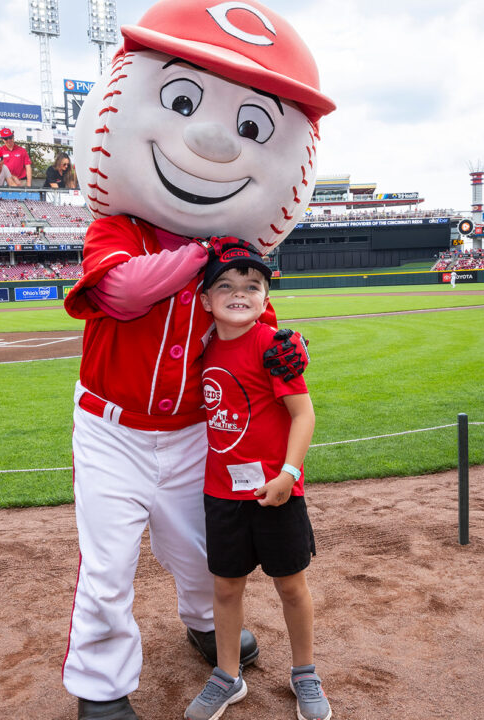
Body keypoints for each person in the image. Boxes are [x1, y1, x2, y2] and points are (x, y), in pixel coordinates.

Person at [61, 2, 334, 718]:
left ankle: (208, 626)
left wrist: (285, 352)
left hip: (190, 434)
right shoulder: (118, 228)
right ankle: (101, 687)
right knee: (109, 566)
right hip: (111, 429)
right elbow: (120, 293)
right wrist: (199, 257)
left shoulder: (234, 266)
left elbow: (255, 331)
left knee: (198, 554)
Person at [184, 244, 329, 720]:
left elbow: (303, 414)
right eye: (224, 285)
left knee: (290, 585)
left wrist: (288, 474)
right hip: (222, 493)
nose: (238, 293)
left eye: (251, 286)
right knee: (225, 588)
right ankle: (228, 676)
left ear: (266, 296)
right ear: (205, 299)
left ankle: (304, 672)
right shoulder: (201, 349)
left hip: (275, 492)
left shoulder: (273, 345)